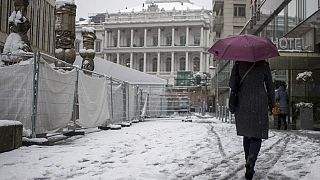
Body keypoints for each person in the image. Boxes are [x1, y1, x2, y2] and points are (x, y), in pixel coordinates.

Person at [229, 60, 275, 180]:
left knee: (247, 133)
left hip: (243, 101)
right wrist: (272, 104)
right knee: (256, 135)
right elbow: (270, 86)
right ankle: (252, 159)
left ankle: (248, 161)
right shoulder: (264, 65)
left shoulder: (239, 64)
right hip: (260, 102)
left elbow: (232, 83)